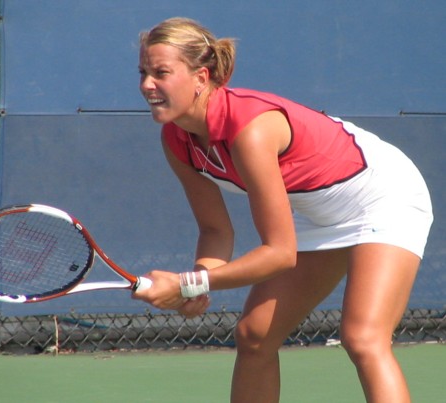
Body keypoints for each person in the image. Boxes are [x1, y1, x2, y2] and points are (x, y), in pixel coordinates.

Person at [133, 17, 433, 403]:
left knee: (364, 337)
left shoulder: (251, 131)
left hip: (382, 196)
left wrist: (190, 284)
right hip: (318, 210)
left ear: (200, 77)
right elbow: (215, 230)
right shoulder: (176, 139)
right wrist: (198, 283)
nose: (146, 85)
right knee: (254, 335)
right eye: (143, 72)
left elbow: (279, 253)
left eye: (161, 73)